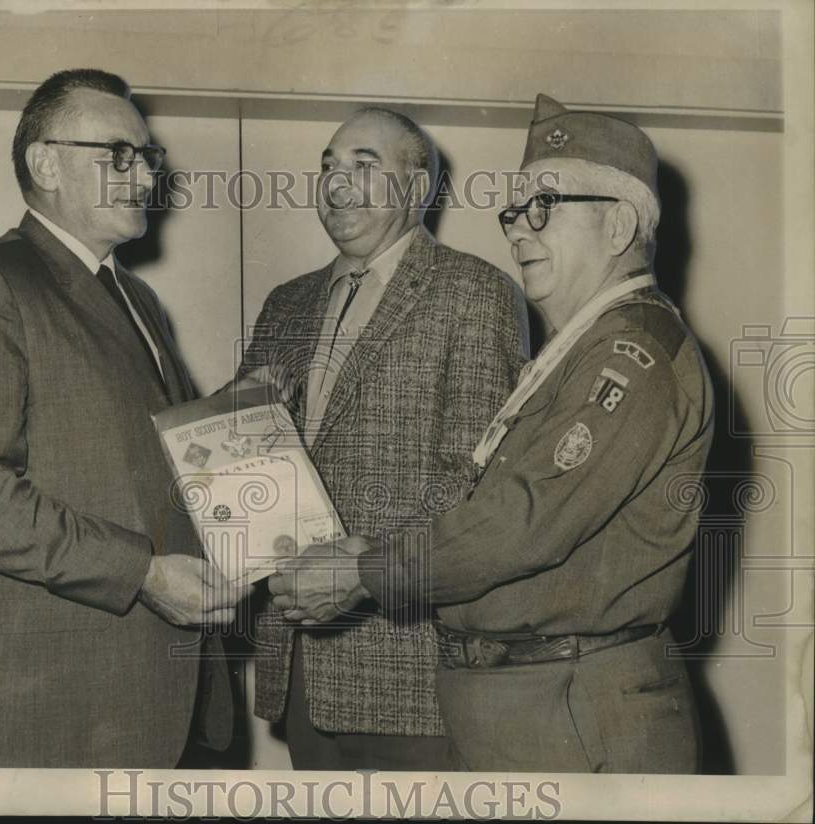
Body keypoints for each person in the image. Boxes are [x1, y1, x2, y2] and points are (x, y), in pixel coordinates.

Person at [271, 94, 714, 774]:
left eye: (545, 207)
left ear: (620, 223)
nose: (518, 232)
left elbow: (520, 522)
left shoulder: (633, 350)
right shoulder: (582, 346)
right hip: (529, 702)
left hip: (573, 707)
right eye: (514, 212)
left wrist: (363, 570)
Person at [0, 68, 248, 768]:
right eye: (117, 155)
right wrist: (145, 574)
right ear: (45, 164)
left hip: (159, 701)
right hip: (52, 712)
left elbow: (156, 462)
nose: (144, 175)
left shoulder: (138, 301)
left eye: (147, 156)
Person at [238, 108, 529, 769]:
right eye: (329, 166)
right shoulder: (288, 302)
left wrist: (357, 575)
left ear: (418, 185)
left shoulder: (476, 292)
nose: (338, 182)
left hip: (411, 672)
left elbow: (476, 484)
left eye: (364, 165)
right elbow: (244, 458)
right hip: (298, 667)